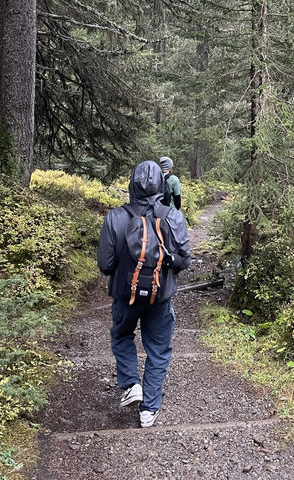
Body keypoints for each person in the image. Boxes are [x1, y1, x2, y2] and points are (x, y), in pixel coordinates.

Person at [98, 161, 191, 428]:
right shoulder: (173, 217)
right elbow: (184, 260)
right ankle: (149, 409)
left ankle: (131, 384)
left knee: (121, 335)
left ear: (132, 185)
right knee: (159, 349)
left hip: (124, 297)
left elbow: (105, 265)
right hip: (160, 298)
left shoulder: (114, 217)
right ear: (162, 184)